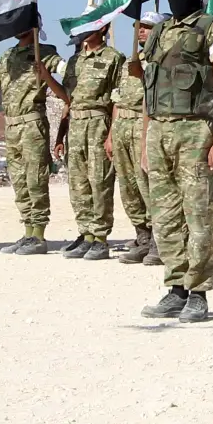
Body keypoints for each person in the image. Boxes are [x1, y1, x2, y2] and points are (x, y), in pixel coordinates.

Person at [134, 0, 213, 322]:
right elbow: (150, 89)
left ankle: (198, 292)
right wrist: (147, 140)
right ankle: (175, 288)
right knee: (165, 217)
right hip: (159, 130)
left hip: (196, 130)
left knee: (199, 215)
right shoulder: (161, 32)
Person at [0, 28, 64, 254]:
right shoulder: (7, 55)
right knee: (19, 181)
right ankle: (28, 232)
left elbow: (65, 69)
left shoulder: (44, 52)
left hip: (32, 123)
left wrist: (46, 73)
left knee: (36, 178)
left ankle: (38, 235)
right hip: (12, 125)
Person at [55, 23, 125, 260]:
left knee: (100, 181)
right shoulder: (75, 61)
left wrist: (112, 134)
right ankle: (85, 235)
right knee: (78, 183)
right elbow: (67, 100)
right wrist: (60, 135)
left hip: (98, 123)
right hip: (75, 125)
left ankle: (101, 238)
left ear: (103, 28)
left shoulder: (114, 58)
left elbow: (118, 100)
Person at [114, 14, 163, 264]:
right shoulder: (129, 60)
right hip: (122, 124)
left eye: (147, 27)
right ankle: (142, 236)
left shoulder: (161, 59)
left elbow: (157, 92)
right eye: (139, 27)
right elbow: (117, 96)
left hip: (143, 123)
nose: (141, 31)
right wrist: (112, 133)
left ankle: (158, 240)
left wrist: (142, 74)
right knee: (128, 186)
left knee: (147, 185)